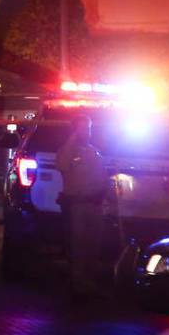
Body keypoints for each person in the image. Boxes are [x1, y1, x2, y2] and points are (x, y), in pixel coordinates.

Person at [56, 116, 109, 299]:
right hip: (77, 206)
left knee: (93, 246)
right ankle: (78, 284)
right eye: (83, 128)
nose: (87, 131)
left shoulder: (94, 152)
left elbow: (102, 177)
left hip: (95, 206)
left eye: (89, 127)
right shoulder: (68, 151)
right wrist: (73, 138)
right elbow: (62, 164)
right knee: (77, 246)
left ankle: (90, 281)